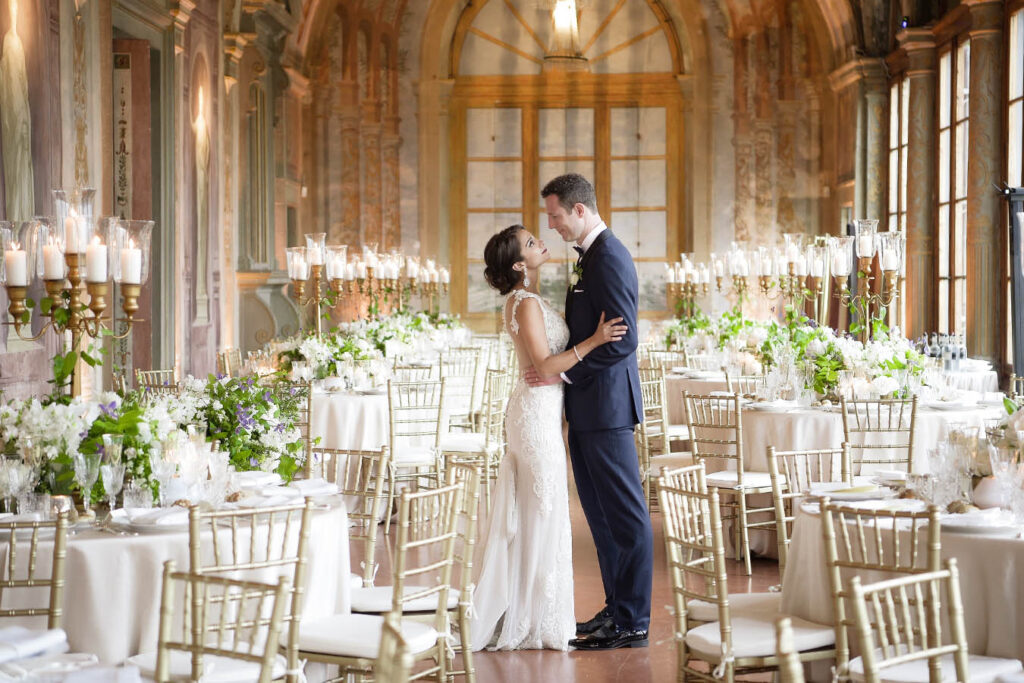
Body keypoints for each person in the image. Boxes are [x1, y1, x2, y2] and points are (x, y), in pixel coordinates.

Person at [469, 224, 627, 651]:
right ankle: (530, 618)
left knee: (543, 513)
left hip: (541, 412)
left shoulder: (527, 300)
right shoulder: (523, 303)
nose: (541, 242)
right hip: (534, 419)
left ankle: (537, 612)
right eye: (531, 242)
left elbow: (545, 366)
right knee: (541, 513)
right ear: (520, 264)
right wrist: (595, 340)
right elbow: (543, 363)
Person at [530, 173, 653, 650]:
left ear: (579, 210)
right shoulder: (590, 258)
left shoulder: (610, 257)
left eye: (556, 216)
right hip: (587, 410)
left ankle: (634, 621)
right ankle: (616, 609)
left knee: (625, 516)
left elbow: (626, 341)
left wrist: (564, 374)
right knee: (601, 518)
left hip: (608, 408)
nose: (553, 225)